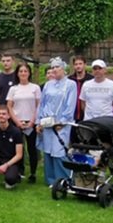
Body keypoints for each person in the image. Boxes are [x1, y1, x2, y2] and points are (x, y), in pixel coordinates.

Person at [36, 57, 77, 187]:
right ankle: (51, 180)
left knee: (59, 150)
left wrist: (63, 122)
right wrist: (39, 121)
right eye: (52, 67)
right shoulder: (48, 84)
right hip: (47, 122)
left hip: (61, 124)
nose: (54, 69)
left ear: (63, 68)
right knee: (48, 150)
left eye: (57, 67)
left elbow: (70, 105)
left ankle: (63, 179)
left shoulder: (70, 84)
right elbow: (42, 103)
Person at [6, 63, 41, 183]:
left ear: (29, 73)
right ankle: (19, 172)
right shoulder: (13, 89)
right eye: (21, 71)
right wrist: (16, 121)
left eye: (25, 71)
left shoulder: (35, 88)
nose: (23, 73)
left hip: (31, 122)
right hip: (17, 122)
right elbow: (9, 106)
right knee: (18, 148)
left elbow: (38, 105)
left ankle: (33, 173)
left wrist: (32, 121)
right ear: (17, 73)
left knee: (32, 149)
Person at [68, 55, 93, 122]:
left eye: (80, 64)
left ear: (85, 65)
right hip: (72, 114)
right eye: (76, 64)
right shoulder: (69, 80)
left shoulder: (91, 80)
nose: (78, 66)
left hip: (87, 115)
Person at [0, 54, 16, 119]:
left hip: (15, 111)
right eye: (3, 61)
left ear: (13, 62)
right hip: (2, 113)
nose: (5, 63)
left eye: (8, 61)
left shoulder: (18, 76)